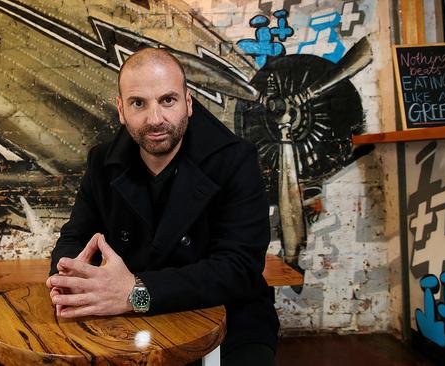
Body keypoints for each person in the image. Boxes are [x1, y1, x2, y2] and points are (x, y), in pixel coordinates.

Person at [46, 47, 279, 365]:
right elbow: (74, 239)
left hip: (230, 316)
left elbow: (238, 269)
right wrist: (72, 277)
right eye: (138, 103)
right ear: (121, 109)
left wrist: (135, 292)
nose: (154, 119)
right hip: (129, 321)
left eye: (167, 100)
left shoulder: (235, 160)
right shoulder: (103, 161)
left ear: (188, 102)